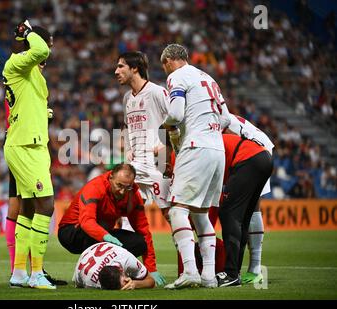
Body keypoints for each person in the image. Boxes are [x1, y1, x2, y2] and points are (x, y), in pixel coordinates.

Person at [160, 44, 231, 289]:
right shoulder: (208, 78)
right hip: (217, 150)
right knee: (201, 214)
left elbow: (176, 114)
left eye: (164, 65)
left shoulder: (176, 76)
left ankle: (190, 270)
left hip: (196, 146)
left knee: (177, 210)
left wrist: (166, 124)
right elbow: (225, 119)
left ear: (169, 60)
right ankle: (209, 276)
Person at [3, 20, 55, 289]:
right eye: (49, 44)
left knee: (28, 209)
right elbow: (39, 52)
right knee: (47, 205)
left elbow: (29, 102)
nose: (48, 54)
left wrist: (42, 115)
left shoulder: (32, 74)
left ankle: (20, 273)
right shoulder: (16, 63)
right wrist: (32, 33)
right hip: (25, 147)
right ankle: (37, 274)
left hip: (33, 145)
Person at [58, 163, 165, 286]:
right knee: (101, 227)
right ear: (110, 177)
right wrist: (106, 237)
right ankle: (92, 270)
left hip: (102, 233)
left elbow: (143, 230)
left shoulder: (133, 195)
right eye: (119, 185)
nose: (122, 191)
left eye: (127, 187)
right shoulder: (94, 188)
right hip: (71, 232)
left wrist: (151, 269)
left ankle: (109, 272)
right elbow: (87, 221)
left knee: (140, 243)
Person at [114, 51, 172, 229]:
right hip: (136, 163)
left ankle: (196, 250)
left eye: (121, 66)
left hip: (158, 164)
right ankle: (126, 254)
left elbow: (177, 120)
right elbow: (127, 126)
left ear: (134, 68)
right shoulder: (126, 99)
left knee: (171, 214)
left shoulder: (156, 92)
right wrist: (128, 147)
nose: (116, 71)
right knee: (123, 208)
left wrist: (164, 145)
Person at [214, 134, 273, 287]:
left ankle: (231, 273)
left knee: (228, 214)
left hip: (248, 159)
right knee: (242, 218)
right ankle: (235, 272)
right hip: (264, 157)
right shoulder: (215, 138)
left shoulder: (202, 145)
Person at [73, 242, 155, 290]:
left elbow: (151, 281)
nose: (126, 282)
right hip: (81, 263)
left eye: (125, 281)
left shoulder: (126, 258)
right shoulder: (91, 282)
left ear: (121, 269)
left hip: (102, 247)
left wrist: (136, 284)